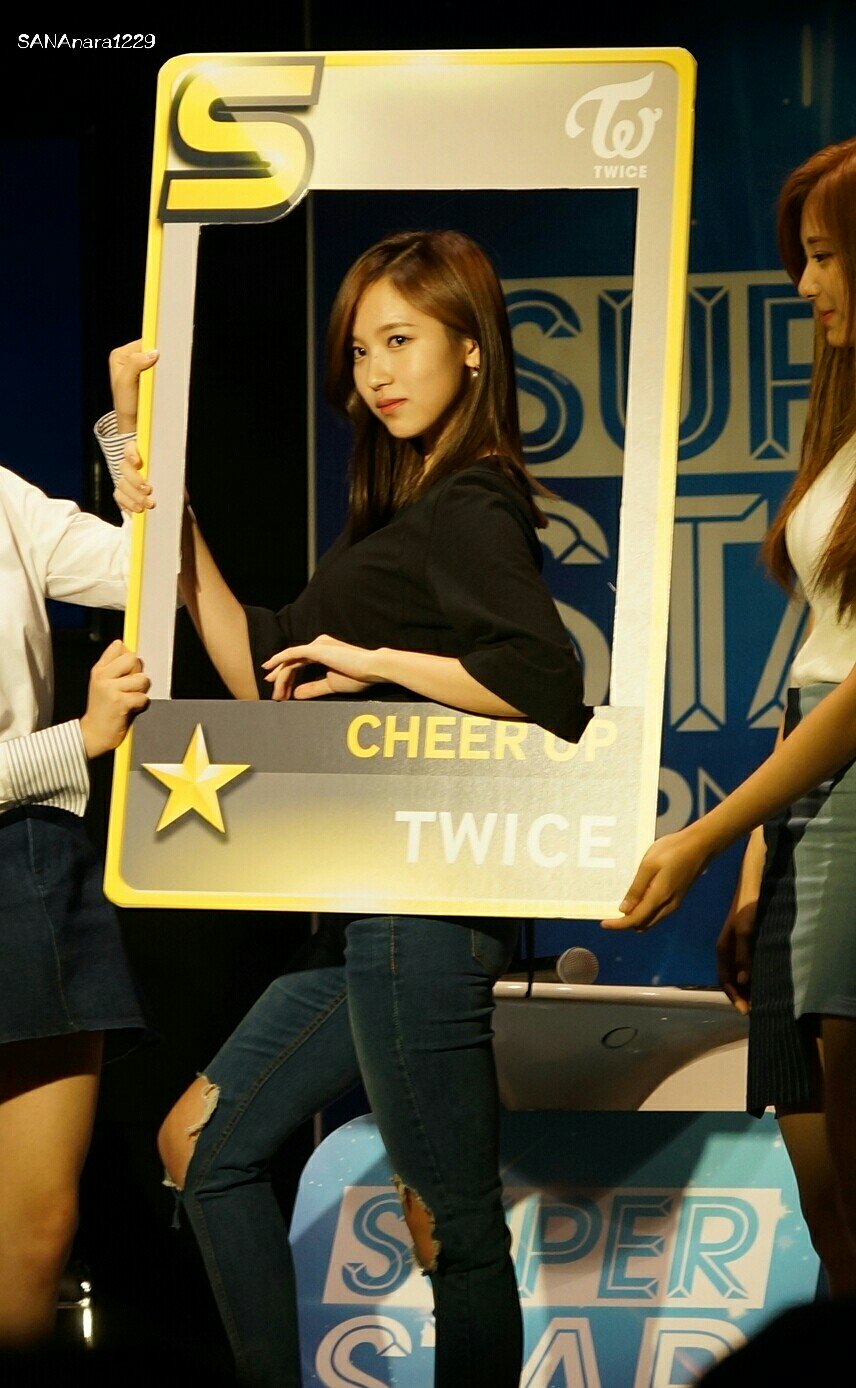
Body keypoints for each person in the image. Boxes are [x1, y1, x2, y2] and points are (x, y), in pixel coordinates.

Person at [111, 227, 591, 1388]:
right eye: (361, 349)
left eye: (400, 340)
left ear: (471, 348)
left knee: (451, 1220)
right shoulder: (396, 511)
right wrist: (144, 464)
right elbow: (256, 665)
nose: (376, 372)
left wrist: (374, 658)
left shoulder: (470, 498)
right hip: (367, 913)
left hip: (426, 909)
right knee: (200, 1145)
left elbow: (546, 681)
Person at [601, 137, 856, 1300]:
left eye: (825, 255)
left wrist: (706, 835)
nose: (803, 283)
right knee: (824, 1197)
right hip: (804, 809)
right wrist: (757, 857)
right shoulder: (838, 427)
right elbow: (815, 662)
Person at [0, 343, 156, 1350]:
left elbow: (151, 570)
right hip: (35, 804)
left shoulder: (1, 497)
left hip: (29, 863)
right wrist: (79, 739)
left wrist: (125, 425)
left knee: (41, 1225)